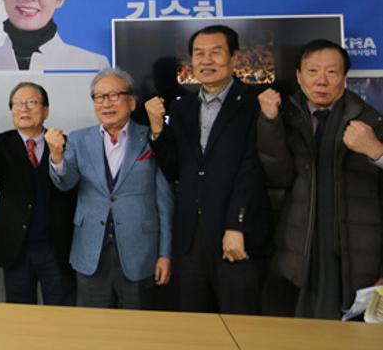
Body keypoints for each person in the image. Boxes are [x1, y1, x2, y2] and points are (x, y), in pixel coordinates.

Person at [145, 25, 272, 314]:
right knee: (194, 328)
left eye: (216, 52)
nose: (206, 60)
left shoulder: (254, 103)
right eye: (199, 54)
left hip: (236, 238)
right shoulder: (183, 108)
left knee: (240, 326)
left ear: (234, 58)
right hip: (191, 240)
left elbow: (253, 168)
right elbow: (176, 170)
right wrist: (157, 131)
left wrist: (236, 225)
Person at [257, 39, 383, 319]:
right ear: (298, 76)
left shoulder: (371, 122)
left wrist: (376, 150)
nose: (321, 81)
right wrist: (269, 123)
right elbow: (277, 177)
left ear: (344, 77)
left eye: (332, 72)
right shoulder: (284, 117)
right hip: (296, 255)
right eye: (312, 71)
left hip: (357, 258)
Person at [49, 68, 173, 308]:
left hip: (140, 253)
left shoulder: (152, 138)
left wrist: (165, 254)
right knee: (91, 327)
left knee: (138, 326)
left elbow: (165, 201)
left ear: (132, 102)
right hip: (90, 252)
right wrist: (56, 157)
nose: (106, 103)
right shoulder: (78, 139)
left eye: (114, 95)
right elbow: (65, 183)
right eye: (99, 97)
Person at [0, 81, 77, 305]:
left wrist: (57, 155)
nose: (24, 109)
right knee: (19, 312)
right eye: (17, 103)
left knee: (61, 311)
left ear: (46, 110)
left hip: (56, 247)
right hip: (16, 246)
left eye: (31, 102)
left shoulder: (64, 143)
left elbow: (70, 184)